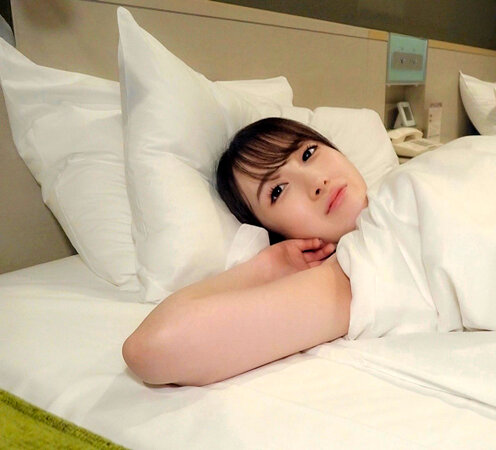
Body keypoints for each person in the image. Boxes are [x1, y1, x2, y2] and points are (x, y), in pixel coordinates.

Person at [122, 118, 367, 386]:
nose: (316, 182)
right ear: (274, 231)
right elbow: (151, 348)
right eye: (278, 191)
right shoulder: (351, 274)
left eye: (308, 153)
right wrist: (265, 267)